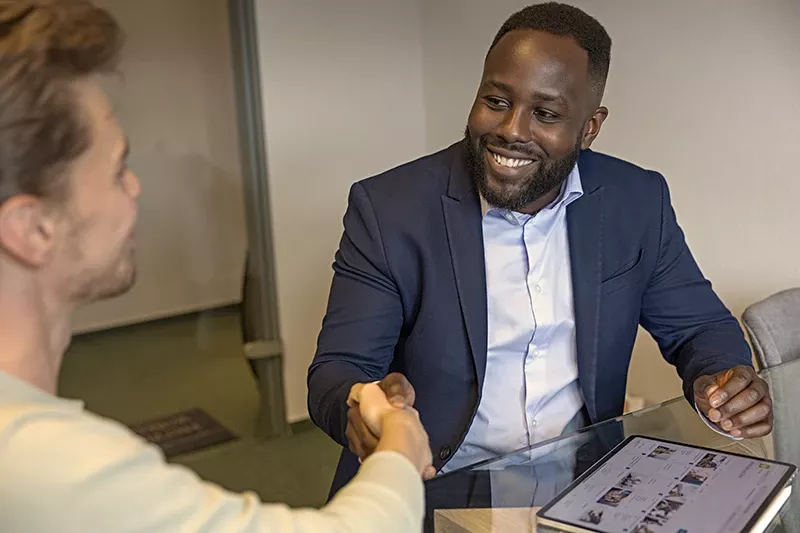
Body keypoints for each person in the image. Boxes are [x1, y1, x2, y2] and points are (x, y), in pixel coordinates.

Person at [307, 2, 774, 498]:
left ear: (589, 128)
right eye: (496, 100)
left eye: (546, 113)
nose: (511, 129)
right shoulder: (388, 208)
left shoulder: (636, 200)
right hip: (433, 483)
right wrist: (364, 403)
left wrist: (725, 381)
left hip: (582, 481)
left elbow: (699, 326)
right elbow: (338, 371)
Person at [0, 2, 434, 532]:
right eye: (118, 171)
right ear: (32, 228)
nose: (136, 188)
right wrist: (400, 452)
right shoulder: (42, 463)